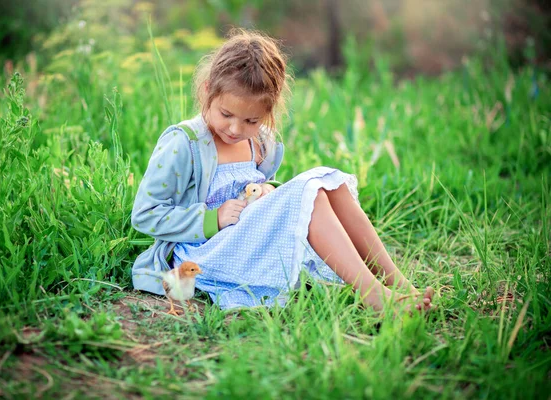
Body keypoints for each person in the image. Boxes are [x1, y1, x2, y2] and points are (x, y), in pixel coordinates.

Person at [131, 29, 434, 314]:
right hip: (208, 251)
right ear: (208, 90)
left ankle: (399, 284)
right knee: (311, 192)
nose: (236, 129)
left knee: (330, 185)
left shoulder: (261, 141)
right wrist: (214, 218)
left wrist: (267, 189)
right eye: (226, 114)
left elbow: (250, 189)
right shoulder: (184, 143)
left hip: (250, 239)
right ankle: (374, 295)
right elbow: (145, 214)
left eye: (251, 120)